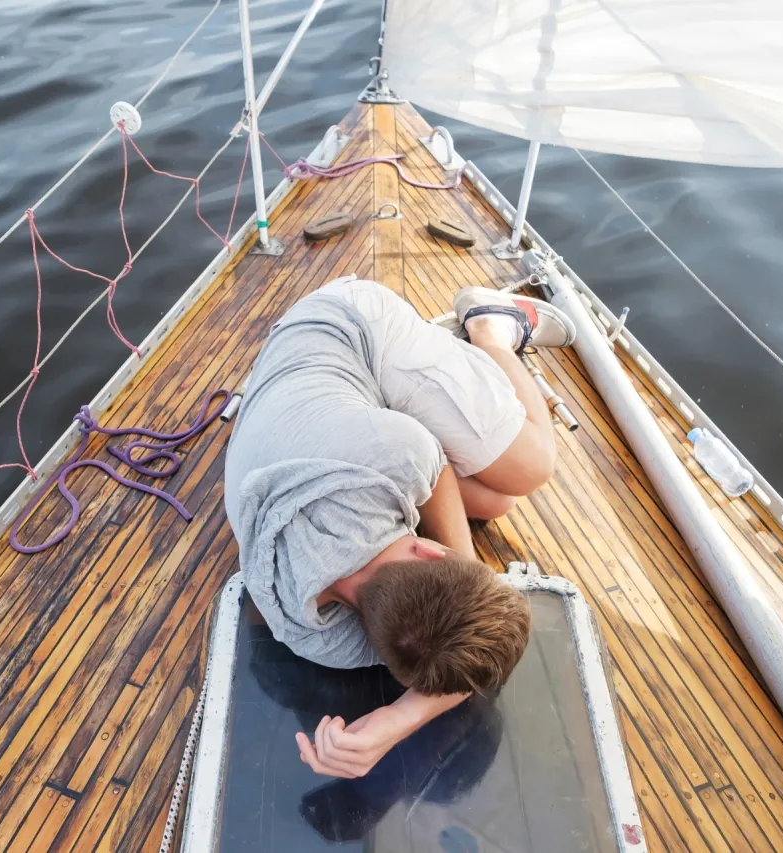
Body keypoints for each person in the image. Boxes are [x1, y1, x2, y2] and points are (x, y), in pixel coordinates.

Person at [223, 275, 576, 779]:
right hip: (345, 369)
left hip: (341, 330)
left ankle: (487, 332)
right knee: (509, 489)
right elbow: (456, 672)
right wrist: (392, 720)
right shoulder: (312, 634)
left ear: (430, 554)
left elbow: (465, 660)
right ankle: (492, 330)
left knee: (511, 480)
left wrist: (466, 580)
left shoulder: (399, 454)